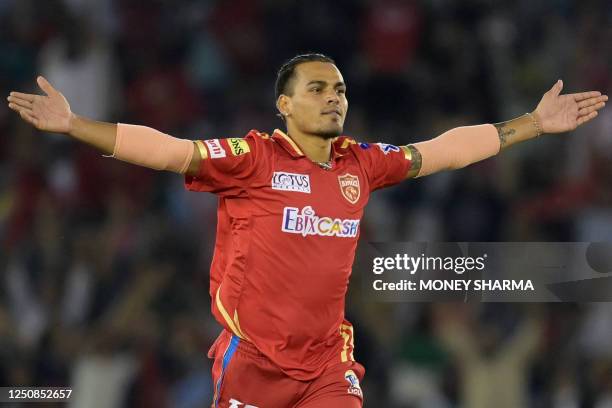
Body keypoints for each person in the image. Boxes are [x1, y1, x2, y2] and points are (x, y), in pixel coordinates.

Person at [7, 53, 607, 408]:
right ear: (284, 105)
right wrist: (73, 125)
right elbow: (168, 152)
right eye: (316, 89)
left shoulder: (360, 164)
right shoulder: (252, 158)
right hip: (253, 363)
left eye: (340, 89)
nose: (333, 98)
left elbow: (443, 151)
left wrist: (532, 122)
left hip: (326, 363)